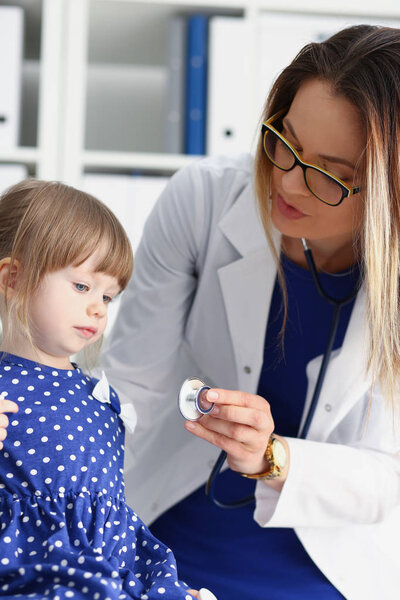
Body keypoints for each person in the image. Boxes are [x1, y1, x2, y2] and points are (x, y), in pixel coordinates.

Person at [100, 24, 400, 600]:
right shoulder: (204, 200)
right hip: (174, 524)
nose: (287, 182)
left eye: (333, 176)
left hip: (329, 555)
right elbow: (132, 390)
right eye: (285, 141)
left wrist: (271, 456)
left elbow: (387, 475)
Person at [0, 179, 215, 600]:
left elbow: (110, 521)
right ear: (13, 278)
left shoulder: (97, 396)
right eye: (82, 286)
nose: (98, 307)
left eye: (109, 296)